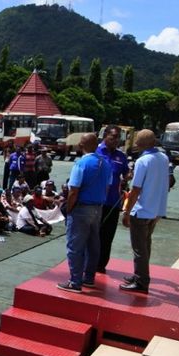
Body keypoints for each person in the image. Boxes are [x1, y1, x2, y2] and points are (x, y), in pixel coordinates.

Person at [57, 133, 111, 293]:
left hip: (82, 208)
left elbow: (74, 190)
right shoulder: (106, 164)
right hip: (98, 208)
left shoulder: (81, 163)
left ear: (81, 146)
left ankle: (75, 282)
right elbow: (107, 187)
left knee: (75, 246)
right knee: (93, 244)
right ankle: (89, 278)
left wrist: (69, 209)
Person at [120, 129, 169, 293]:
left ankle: (142, 282)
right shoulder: (163, 158)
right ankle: (139, 274)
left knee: (139, 247)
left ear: (140, 144)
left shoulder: (143, 161)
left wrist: (127, 211)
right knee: (146, 244)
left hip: (142, 210)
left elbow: (135, 189)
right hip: (156, 209)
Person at [95, 125, 130, 274]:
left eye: (118, 137)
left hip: (113, 202)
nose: (116, 140)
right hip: (96, 201)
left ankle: (101, 265)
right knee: (93, 234)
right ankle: (87, 262)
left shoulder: (121, 157)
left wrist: (128, 176)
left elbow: (127, 173)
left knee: (108, 235)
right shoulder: (95, 152)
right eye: (113, 137)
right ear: (105, 136)